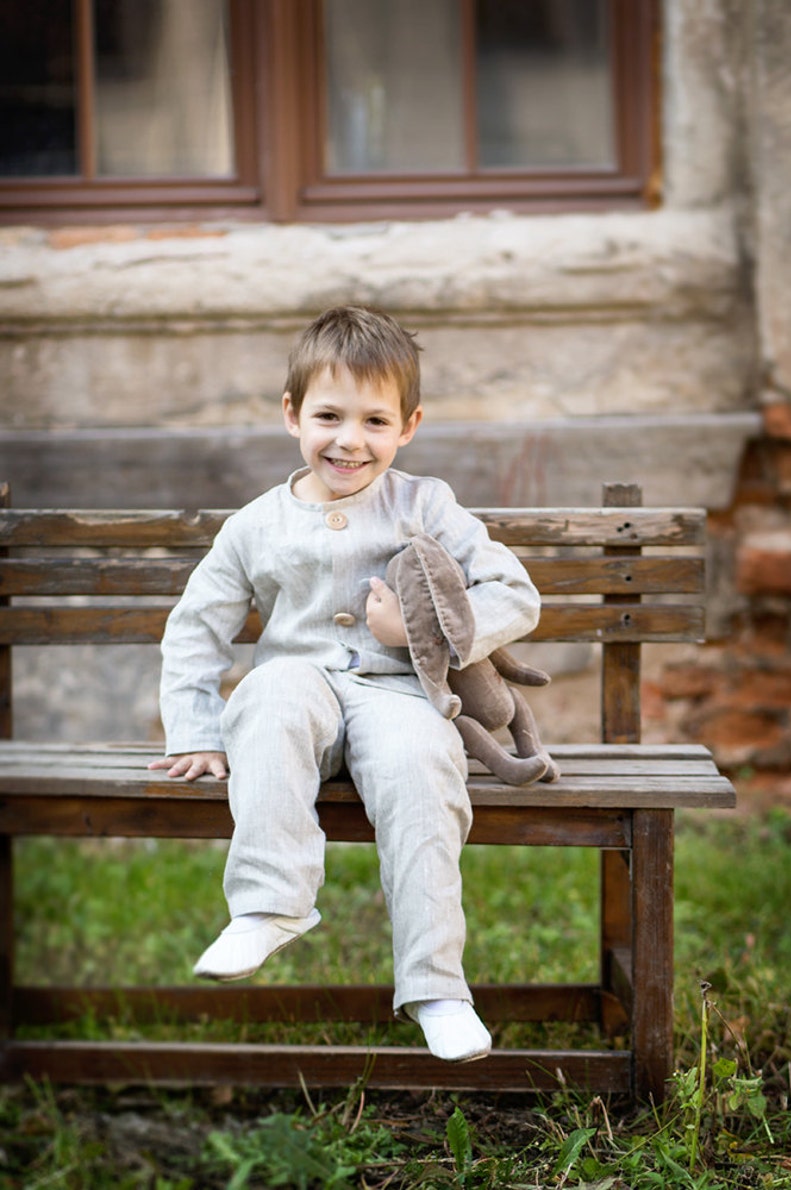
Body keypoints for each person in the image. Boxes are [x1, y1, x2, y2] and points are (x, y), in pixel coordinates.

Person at [148, 306, 541, 1062]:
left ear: (409, 426)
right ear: (292, 415)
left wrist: (421, 634)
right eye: (328, 415)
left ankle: (436, 986)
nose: (349, 440)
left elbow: (513, 593)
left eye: (374, 421)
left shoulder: (426, 504)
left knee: (423, 771)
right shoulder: (255, 525)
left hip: (399, 695)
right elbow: (196, 626)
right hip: (299, 690)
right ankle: (271, 906)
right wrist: (195, 729)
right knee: (264, 697)